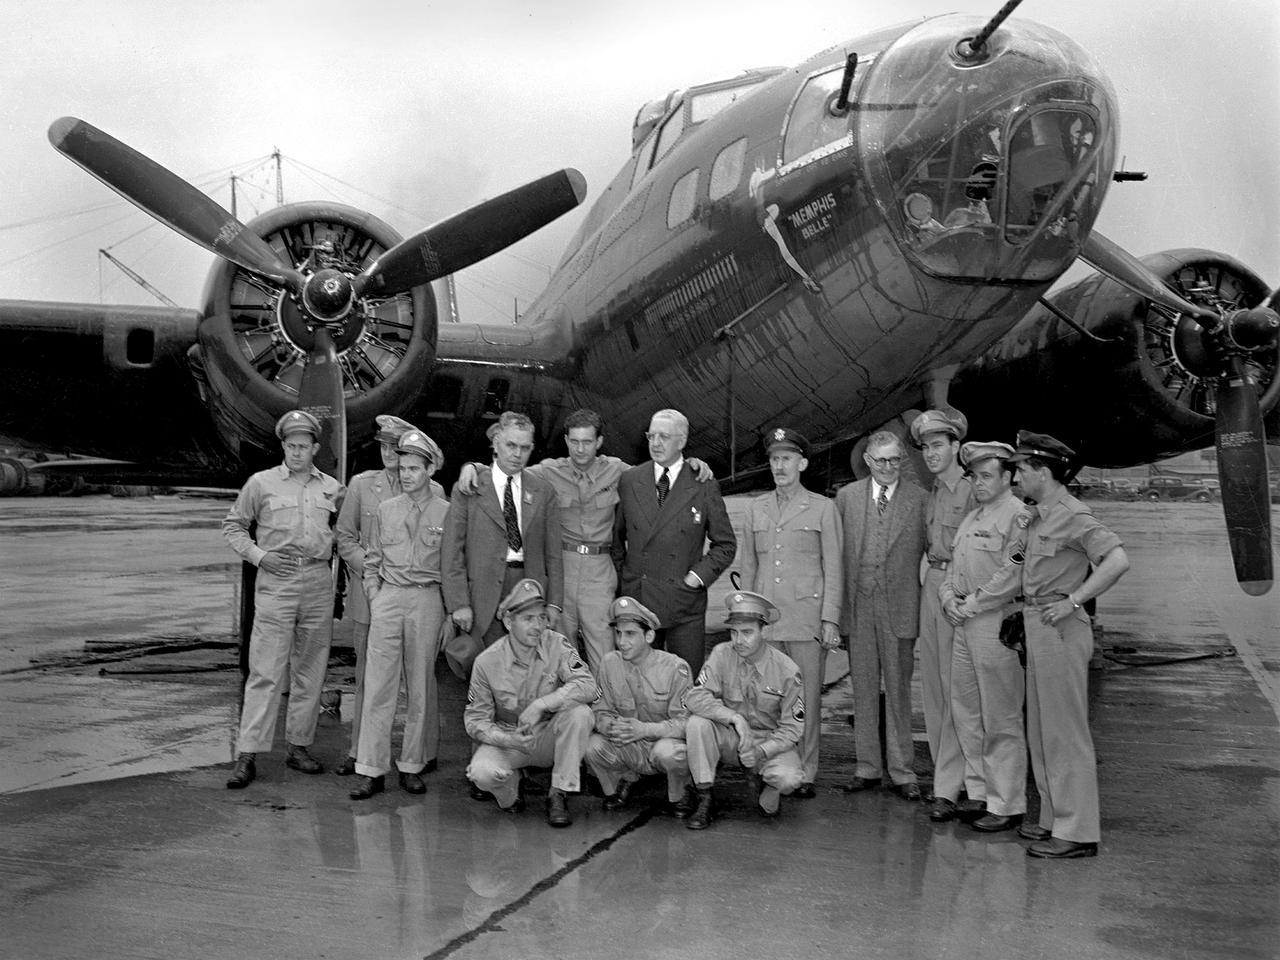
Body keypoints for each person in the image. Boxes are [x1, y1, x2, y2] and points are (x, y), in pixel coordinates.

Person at [452, 408, 713, 674]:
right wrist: (473, 467)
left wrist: (691, 464)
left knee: (604, 651)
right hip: (563, 568)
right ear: (566, 440)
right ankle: (569, 698)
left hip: (598, 571)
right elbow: (508, 469)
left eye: (587, 442)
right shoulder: (549, 471)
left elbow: (658, 473)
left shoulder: (618, 470)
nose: (580, 449)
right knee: (561, 648)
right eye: (574, 441)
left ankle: (605, 700)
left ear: (599, 442)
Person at [1010, 432, 1128, 859]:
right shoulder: (1038, 515)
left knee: (1065, 732)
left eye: (1022, 470)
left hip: (1060, 627)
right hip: (1038, 623)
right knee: (1043, 731)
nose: (1016, 477)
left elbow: (1118, 560)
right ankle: (1052, 819)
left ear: (1043, 472)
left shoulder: (1073, 514)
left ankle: (1077, 832)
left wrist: (1075, 600)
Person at [222, 409, 345, 789]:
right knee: (265, 672)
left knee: (311, 670)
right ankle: (248, 754)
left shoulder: (333, 489)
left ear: (315, 448)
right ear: (283, 446)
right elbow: (233, 526)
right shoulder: (261, 484)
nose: (296, 452)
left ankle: (298, 746)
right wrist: (260, 556)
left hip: (318, 581)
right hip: (277, 581)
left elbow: (347, 530)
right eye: (290, 446)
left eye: (303, 446)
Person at [334, 414, 443, 777]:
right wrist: (374, 583)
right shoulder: (364, 486)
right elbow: (346, 537)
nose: (387, 453)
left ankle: (420, 756)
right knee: (371, 681)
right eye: (382, 445)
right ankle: (361, 755)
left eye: (394, 447)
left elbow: (447, 557)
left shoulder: (437, 495)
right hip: (377, 599)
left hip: (421, 599)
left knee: (420, 682)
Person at [736, 427, 842, 798]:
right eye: (775, 459)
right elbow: (749, 567)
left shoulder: (823, 508)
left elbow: (834, 567)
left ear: (802, 464)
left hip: (805, 620)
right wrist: (746, 618)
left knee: (806, 699)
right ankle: (768, 764)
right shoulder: (756, 508)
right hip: (767, 622)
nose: (779, 466)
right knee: (765, 700)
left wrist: (830, 618)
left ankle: (806, 771)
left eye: (787, 459)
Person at [935, 441, 1031, 830]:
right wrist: (948, 598)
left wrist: (972, 603)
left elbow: (1012, 573)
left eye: (986, 476)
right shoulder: (972, 517)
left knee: (1001, 716)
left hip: (995, 624)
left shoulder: (1018, 517)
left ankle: (1006, 803)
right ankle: (979, 792)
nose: (978, 483)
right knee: (967, 712)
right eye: (974, 476)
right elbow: (952, 568)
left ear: (1008, 477)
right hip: (964, 622)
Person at [834, 430, 927, 800]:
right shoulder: (847, 498)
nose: (888, 467)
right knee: (863, 690)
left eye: (894, 459)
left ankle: (903, 772)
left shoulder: (920, 499)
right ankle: (867, 767)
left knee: (899, 691)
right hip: (858, 608)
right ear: (868, 461)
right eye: (881, 460)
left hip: (899, 608)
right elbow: (835, 555)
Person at [463, 578, 597, 827]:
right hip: (509, 737)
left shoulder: (556, 644)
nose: (537, 626)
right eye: (528, 619)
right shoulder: (487, 662)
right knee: (481, 774)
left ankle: (558, 792)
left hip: (548, 736)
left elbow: (588, 685)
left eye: (541, 618)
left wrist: (542, 704)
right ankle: (510, 793)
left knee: (581, 714)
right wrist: (507, 739)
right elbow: (475, 720)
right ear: (508, 622)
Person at [612, 408, 736, 676]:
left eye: (664, 437)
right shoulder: (630, 480)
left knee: (685, 680)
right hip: (640, 601)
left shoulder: (703, 483)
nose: (655, 443)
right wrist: (626, 580)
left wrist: (695, 578)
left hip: (684, 604)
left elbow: (726, 544)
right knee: (640, 681)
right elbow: (616, 539)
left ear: (682, 441)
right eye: (651, 436)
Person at [442, 411, 564, 674]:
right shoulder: (470, 488)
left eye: (525, 447)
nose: (517, 454)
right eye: (511, 445)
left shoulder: (543, 491)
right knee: (483, 672)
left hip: (528, 589)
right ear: (496, 443)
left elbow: (553, 554)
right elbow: (452, 551)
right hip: (482, 593)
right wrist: (459, 603)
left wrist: (554, 603)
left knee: (526, 672)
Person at [682, 591, 805, 829]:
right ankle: (705, 796)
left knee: (789, 778)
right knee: (697, 723)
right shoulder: (722, 654)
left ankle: (766, 784)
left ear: (764, 631)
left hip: (768, 741)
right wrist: (733, 717)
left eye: (747, 632)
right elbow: (695, 696)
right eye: (734, 632)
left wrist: (760, 751)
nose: (738, 640)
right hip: (732, 736)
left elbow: (792, 729)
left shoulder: (788, 671)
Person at [910, 408, 975, 810]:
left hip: (958, 588)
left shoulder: (971, 491)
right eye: (926, 447)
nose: (931, 453)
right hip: (931, 584)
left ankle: (953, 785)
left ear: (956, 446)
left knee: (956, 688)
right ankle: (944, 774)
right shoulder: (932, 491)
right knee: (933, 688)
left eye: (938, 445)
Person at [585, 596, 696, 815]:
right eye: (618, 633)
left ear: (649, 636)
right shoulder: (609, 663)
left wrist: (644, 730)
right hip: (630, 745)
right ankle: (627, 779)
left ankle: (682, 791)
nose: (621, 641)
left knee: (669, 754)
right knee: (592, 746)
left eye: (630, 634)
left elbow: (687, 724)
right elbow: (600, 710)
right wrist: (611, 727)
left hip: (663, 743)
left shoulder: (675, 668)